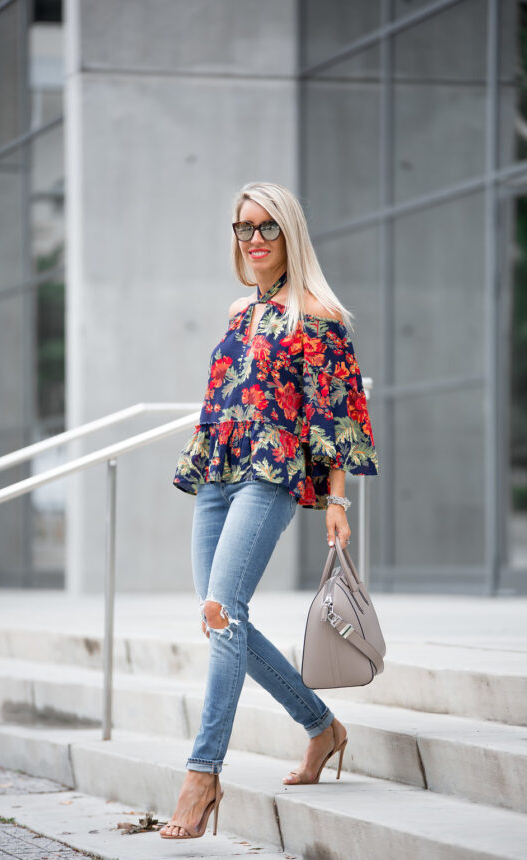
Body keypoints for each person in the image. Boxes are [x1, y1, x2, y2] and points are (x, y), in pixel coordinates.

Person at [160, 181, 379, 840]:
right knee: (219, 619)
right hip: (218, 478)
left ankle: (202, 775)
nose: (253, 240)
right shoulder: (237, 311)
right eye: (242, 228)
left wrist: (335, 500)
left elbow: (339, 411)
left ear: (290, 234)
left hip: (270, 478)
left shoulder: (317, 314)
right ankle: (321, 726)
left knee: (223, 612)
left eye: (266, 228)